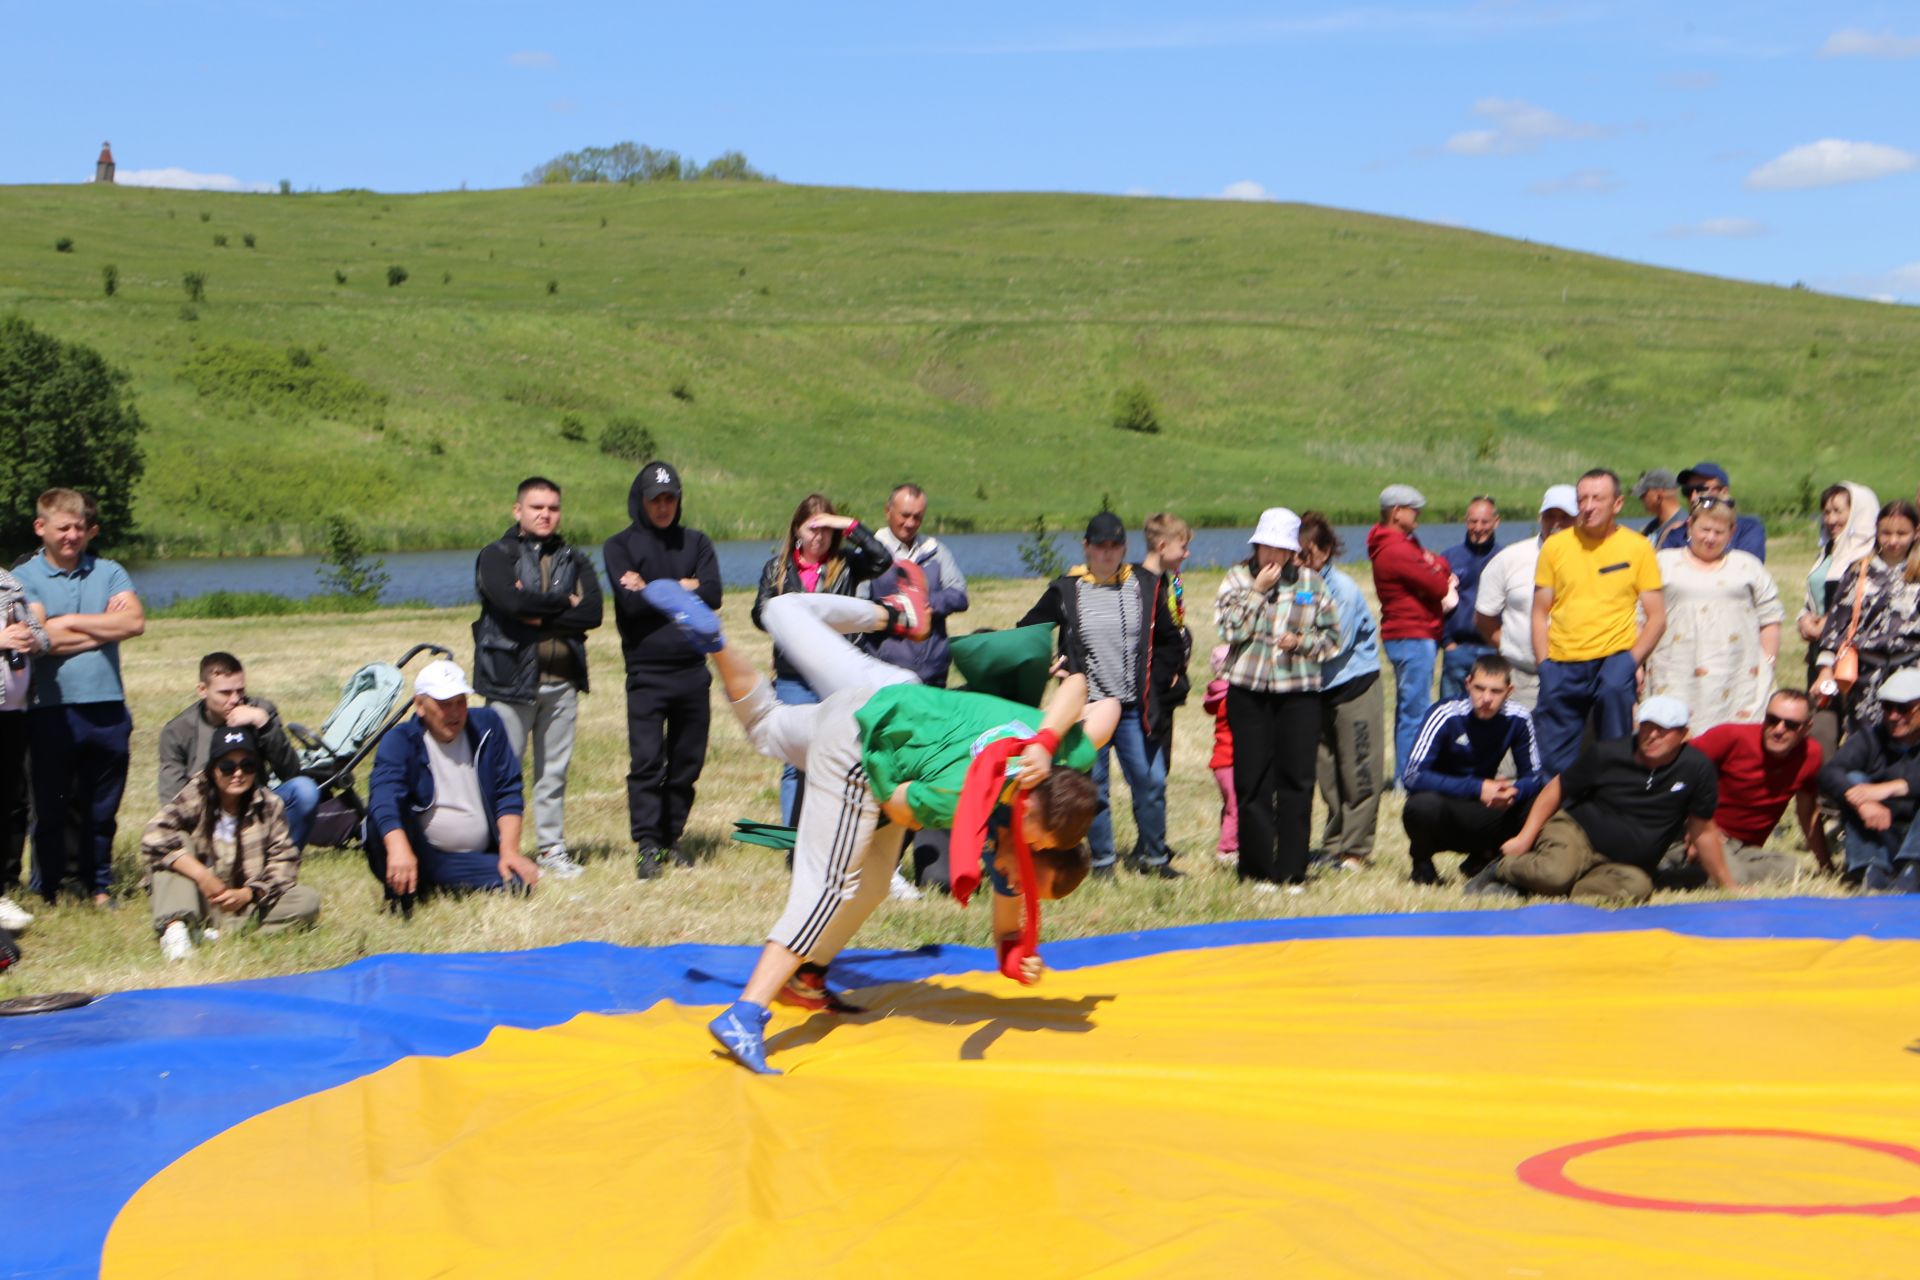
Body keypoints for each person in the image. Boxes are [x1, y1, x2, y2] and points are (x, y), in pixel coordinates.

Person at [650, 583, 1112, 1075]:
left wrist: (1043, 739)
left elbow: (1095, 699)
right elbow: (897, 804)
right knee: (830, 884)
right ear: (1029, 813)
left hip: (889, 695)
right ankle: (747, 1012)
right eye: (1034, 844)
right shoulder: (965, 796)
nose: (1022, 864)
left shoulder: (1057, 756)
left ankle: (719, 641)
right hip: (861, 747)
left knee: (774, 713)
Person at [1018, 511, 1185, 878]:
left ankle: (1155, 858)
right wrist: (1051, 662)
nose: (1107, 555)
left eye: (1114, 547)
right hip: (1086, 709)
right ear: (1086, 547)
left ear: (1124, 548)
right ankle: (1102, 862)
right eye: (1099, 547)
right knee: (1093, 789)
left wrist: (1157, 681)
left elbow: (1172, 640)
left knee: (1150, 780)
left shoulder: (1146, 584)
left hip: (1133, 708)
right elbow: (1028, 628)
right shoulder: (1066, 589)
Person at [1468, 695, 1728, 903]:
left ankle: (1538, 889)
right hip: (1576, 831)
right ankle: (1500, 869)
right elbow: (1557, 788)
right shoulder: (1609, 753)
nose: (1652, 735)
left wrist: (1729, 885)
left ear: (1684, 734)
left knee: (1637, 888)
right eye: (1648, 726)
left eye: (1664, 730)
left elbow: (1702, 830)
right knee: (1553, 874)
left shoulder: (1698, 769)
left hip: (1621, 864)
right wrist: (1525, 837)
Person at [471, 476, 604, 879]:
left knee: (554, 772)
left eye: (553, 508)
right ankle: (496, 852)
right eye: (537, 507)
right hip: (510, 681)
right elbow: (508, 601)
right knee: (503, 769)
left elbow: (593, 613)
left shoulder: (574, 558)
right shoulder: (496, 555)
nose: (546, 515)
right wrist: (564, 602)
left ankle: (551, 849)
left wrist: (536, 611)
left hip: (562, 681)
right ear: (518, 511)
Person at [17, 488, 144, 905]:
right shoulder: (24, 578)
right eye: (63, 527)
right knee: (51, 807)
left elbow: (134, 622)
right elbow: (37, 639)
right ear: (41, 528)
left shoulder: (109, 571)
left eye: (79, 527)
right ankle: (48, 887)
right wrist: (101, 627)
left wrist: (66, 622)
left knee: (102, 807)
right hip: (50, 709)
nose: (72, 535)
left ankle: (99, 886)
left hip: (108, 707)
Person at [603, 461, 723, 878]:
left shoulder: (697, 542)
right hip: (646, 674)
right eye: (656, 499)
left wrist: (653, 586)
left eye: (670, 498)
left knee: (687, 763)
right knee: (648, 763)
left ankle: (671, 838)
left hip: (692, 670)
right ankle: (647, 845)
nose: (663, 506)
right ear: (641, 499)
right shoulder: (618, 546)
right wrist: (683, 587)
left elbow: (714, 594)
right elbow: (630, 605)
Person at [1214, 508, 1343, 890]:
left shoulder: (1311, 583)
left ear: (1291, 551)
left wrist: (1302, 643)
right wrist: (1255, 594)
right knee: (1252, 780)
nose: (1271, 556)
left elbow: (1333, 639)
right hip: (1248, 692)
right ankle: (1256, 869)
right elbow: (1227, 629)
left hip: (1298, 693)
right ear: (1256, 545)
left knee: (1297, 780)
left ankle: (1292, 869)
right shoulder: (1237, 579)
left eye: (1280, 549)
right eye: (1265, 547)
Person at [752, 494, 893, 824]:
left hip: (835, 674)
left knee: (841, 754)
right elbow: (760, 614)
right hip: (793, 676)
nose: (820, 536)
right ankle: (793, 841)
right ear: (797, 530)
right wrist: (789, 611)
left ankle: (832, 834)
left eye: (826, 529)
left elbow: (882, 560)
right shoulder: (777, 569)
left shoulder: (845, 564)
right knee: (795, 761)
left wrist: (849, 525)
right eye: (812, 528)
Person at [365, 659, 539, 904]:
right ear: (420, 706)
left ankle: (432, 883)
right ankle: (404, 888)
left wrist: (509, 852)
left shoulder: (489, 726)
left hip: (468, 858)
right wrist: (399, 849)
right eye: (445, 705)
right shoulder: (400, 740)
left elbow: (508, 791)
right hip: (422, 851)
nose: (455, 713)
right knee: (377, 823)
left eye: (461, 702)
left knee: (519, 882)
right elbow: (384, 797)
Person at [142, 726, 321, 960]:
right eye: (227, 767)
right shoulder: (197, 792)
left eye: (247, 765)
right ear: (213, 769)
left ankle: (217, 934)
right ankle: (177, 928)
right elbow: (154, 834)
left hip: (244, 902)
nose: (238, 774)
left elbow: (284, 863)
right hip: (197, 896)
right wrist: (202, 876)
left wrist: (248, 894)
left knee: (307, 901)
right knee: (176, 846)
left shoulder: (270, 804)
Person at [1530, 468, 1666, 773]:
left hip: (1613, 662)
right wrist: (1544, 665)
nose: (1588, 506)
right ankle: (1557, 816)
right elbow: (1539, 611)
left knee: (1615, 754)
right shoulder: (1555, 547)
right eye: (1582, 499)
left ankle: (1612, 814)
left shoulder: (1638, 547)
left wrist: (1629, 662)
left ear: (1617, 504)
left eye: (1597, 498)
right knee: (1555, 760)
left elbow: (1657, 617)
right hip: (1562, 664)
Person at [1400, 655, 1549, 884]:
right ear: (1468, 683)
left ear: (1509, 691)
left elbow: (1535, 776)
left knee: (1539, 800)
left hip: (1486, 807)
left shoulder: (1518, 718)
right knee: (1420, 806)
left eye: (1495, 691)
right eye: (1479, 689)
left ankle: (1488, 859)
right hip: (1446, 804)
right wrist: (1477, 787)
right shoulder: (1446, 714)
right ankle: (1422, 864)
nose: (1486, 698)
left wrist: (1514, 790)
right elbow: (1411, 775)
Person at [1656, 689, 1828, 889]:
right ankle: (1671, 870)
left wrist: (1826, 865)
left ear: (1807, 728)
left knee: (1793, 868)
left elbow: (1807, 813)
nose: (1779, 729)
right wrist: (1694, 828)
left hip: (1746, 849)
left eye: (1790, 725)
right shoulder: (1731, 736)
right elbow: (1675, 771)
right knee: (1735, 878)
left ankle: (1695, 871)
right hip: (1704, 834)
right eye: (1772, 719)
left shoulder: (1812, 754)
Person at [156, 653, 322, 850]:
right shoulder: (178, 731)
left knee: (305, 790)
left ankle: (281, 867)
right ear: (202, 690)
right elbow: (171, 800)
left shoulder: (261, 711)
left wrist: (264, 725)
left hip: (256, 807)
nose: (235, 699)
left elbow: (291, 772)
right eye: (225, 693)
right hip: (207, 817)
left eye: (240, 691)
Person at [1643, 497, 1783, 731]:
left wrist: (1768, 661)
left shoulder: (1747, 566)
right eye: (1704, 530)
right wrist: (1637, 662)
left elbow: (1770, 616)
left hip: (1737, 675)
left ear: (1731, 533)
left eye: (1719, 532)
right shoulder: (1662, 563)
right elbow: (1641, 614)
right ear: (1689, 526)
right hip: (1676, 671)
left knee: (1735, 740)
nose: (1710, 538)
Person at [1298, 512, 1383, 870]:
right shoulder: (1302, 587)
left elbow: (1335, 644)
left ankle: (1356, 849)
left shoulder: (1342, 590)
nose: (1299, 561)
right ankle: (1333, 845)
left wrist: (1289, 644)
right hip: (1318, 689)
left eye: (1305, 554)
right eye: (1295, 554)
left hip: (1354, 687)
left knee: (1359, 768)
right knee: (1327, 772)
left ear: (1326, 550)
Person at [1366, 484, 1454, 778]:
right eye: (1413, 510)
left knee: (1410, 708)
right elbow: (1440, 585)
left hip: (1406, 636)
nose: (1418, 515)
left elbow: (1439, 564)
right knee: (1415, 712)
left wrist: (1433, 563)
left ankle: (1408, 774)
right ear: (1396, 512)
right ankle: (1410, 778)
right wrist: (1434, 566)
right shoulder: (1398, 550)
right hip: (1413, 635)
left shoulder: (1398, 544)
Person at [1813, 500, 1920, 738]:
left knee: (1908, 736)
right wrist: (1825, 670)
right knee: (1865, 739)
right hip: (1865, 674)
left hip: (1911, 670)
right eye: (1886, 533)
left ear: (1916, 532)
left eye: (1902, 534)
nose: (1893, 541)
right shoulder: (1858, 572)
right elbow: (1836, 626)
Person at [1474, 485, 1577, 710]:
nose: (1556, 523)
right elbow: (1483, 617)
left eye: (1566, 516)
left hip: (1578, 676)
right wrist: (1511, 647)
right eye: (1550, 516)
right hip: (1523, 678)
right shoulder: (1509, 558)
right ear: (1540, 517)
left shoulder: (1595, 559)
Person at [1796, 483, 1878, 765]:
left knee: (1856, 733)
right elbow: (1814, 598)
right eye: (1826, 512)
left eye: (1839, 512)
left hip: (1853, 661)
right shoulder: (1830, 550)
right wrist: (1803, 619)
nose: (1831, 519)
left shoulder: (1870, 556)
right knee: (1820, 731)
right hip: (1820, 656)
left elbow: (1867, 607)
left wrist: (1828, 625)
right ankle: (1823, 798)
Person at [859, 482, 970, 687]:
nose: (910, 523)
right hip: (885, 673)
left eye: (917, 517)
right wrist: (898, 610)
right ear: (888, 511)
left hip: (934, 671)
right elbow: (858, 608)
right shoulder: (869, 555)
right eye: (905, 515)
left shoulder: (936, 551)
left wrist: (925, 603)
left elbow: (960, 596)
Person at [1819, 666, 1920, 891]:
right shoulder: (1869, 737)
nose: (1893, 716)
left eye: (1903, 709)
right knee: (1853, 779)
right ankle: (1871, 870)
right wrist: (1862, 802)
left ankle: (1912, 871)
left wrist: (1895, 787)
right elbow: (1829, 773)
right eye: (1888, 707)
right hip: (1881, 833)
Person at [0, 565, 48, 933]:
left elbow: (41, 638)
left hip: (16, 711)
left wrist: (32, 640)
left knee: (11, 801)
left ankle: (4, 886)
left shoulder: (8, 583)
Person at [1139, 511, 1195, 769]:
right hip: (1150, 689)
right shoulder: (1140, 584)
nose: (1187, 554)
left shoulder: (1163, 581)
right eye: (1182, 547)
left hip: (1163, 689)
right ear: (1162, 546)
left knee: (1162, 764)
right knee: (1151, 765)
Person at [1438, 497, 1501, 701]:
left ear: (1496, 522)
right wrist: (1448, 643)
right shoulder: (1448, 558)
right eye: (1473, 521)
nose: (1478, 528)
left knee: (1491, 718)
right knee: (1452, 715)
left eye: (1484, 522)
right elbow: (1434, 604)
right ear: (1466, 522)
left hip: (1493, 651)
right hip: (1458, 650)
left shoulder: (1506, 558)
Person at [1659, 462, 1767, 561]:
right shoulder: (1676, 534)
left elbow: (1747, 571)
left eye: (1701, 490)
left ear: (1724, 492)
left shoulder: (1747, 529)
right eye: (1687, 491)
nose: (1693, 498)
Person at [1203, 645, 1237, 863]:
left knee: (1230, 804)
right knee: (1236, 805)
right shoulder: (1231, 699)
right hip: (1230, 760)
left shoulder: (1217, 694)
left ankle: (1230, 840)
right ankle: (1227, 848)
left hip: (1220, 762)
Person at [1634, 468, 1686, 549]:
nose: (1641, 499)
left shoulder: (1681, 529)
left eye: (1643, 495)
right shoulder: (1653, 525)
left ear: (1658, 496)